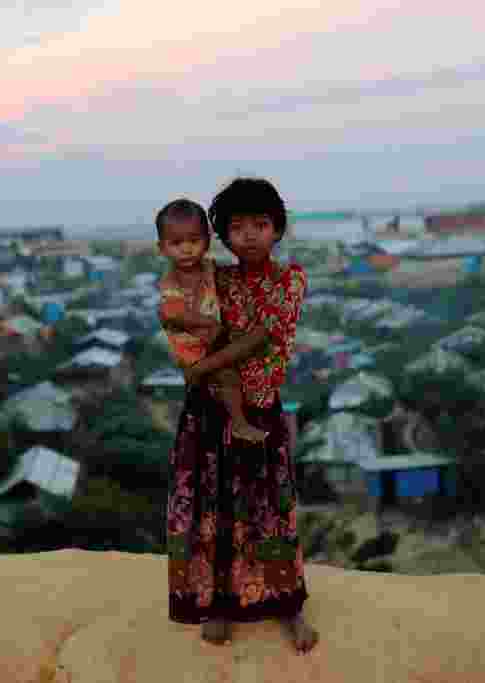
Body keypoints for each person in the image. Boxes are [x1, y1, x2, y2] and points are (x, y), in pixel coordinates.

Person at [165, 177, 319, 654]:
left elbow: (259, 338)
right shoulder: (216, 278)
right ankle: (218, 604)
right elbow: (185, 318)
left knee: (270, 509)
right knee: (215, 510)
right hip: (211, 410)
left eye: (261, 224)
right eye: (237, 226)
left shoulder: (290, 279)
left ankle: (288, 605)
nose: (249, 235)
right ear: (222, 235)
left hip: (259, 407)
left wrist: (199, 368)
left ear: (278, 229)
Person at [155, 198, 269, 443]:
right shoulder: (170, 282)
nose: (186, 249)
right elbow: (173, 313)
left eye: (194, 241)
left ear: (206, 242)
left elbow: (234, 284)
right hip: (191, 346)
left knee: (255, 337)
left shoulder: (211, 268)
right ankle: (238, 424)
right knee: (228, 375)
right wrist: (207, 323)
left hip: (215, 337)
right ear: (162, 248)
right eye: (176, 243)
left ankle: (205, 371)